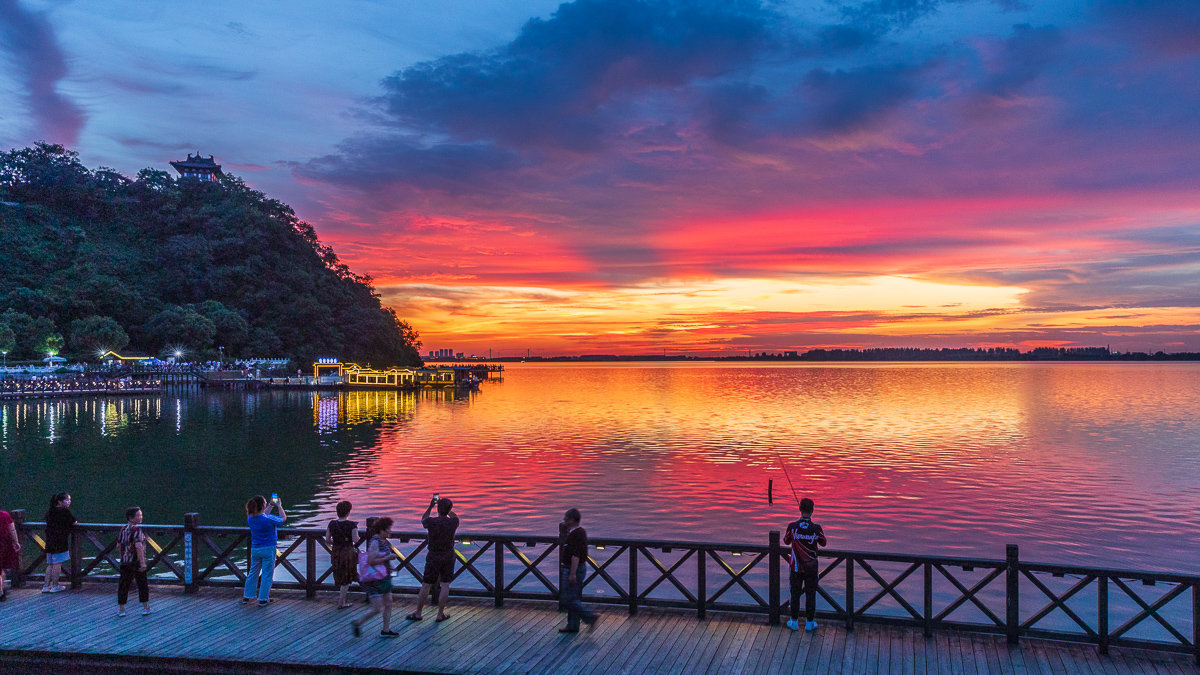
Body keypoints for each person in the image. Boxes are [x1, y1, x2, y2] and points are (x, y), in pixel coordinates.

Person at [409, 496, 459, 622]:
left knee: (426, 584)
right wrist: (448, 510)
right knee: (445, 584)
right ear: (449, 510)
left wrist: (431, 506)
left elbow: (423, 519)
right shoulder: (453, 522)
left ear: (438, 509)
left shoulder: (431, 522)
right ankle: (440, 614)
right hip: (448, 555)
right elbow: (454, 516)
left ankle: (418, 613)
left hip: (434, 555)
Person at [783, 497, 827, 631]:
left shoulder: (792, 526)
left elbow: (785, 541)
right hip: (812, 568)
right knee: (810, 594)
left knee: (795, 594)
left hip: (796, 568)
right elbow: (823, 542)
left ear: (800, 509)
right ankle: (809, 622)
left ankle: (794, 621)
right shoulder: (816, 528)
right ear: (812, 510)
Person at [351, 517, 399, 638]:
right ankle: (357, 622)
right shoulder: (375, 542)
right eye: (388, 529)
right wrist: (388, 558)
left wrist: (390, 566)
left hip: (385, 577)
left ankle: (386, 630)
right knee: (377, 608)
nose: (390, 531)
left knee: (388, 603)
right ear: (381, 530)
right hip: (374, 580)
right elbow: (371, 561)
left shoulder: (384, 541)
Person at [558, 508, 597, 633]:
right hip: (574, 568)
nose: (564, 521)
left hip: (572, 569)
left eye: (567, 519)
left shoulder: (576, 534)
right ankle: (573, 625)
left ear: (573, 520)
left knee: (568, 599)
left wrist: (572, 573)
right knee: (574, 597)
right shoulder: (578, 532)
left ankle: (590, 616)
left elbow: (576, 555)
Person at [243, 494, 286, 606]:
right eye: (265, 503)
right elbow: (282, 519)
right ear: (262, 505)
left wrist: (271, 506)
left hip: (255, 548)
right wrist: (279, 506)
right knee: (267, 574)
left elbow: (262, 514)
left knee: (253, 572)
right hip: (268, 548)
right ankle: (263, 599)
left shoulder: (250, 518)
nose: (266, 504)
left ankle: (247, 596)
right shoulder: (268, 519)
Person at [116, 507, 151, 617]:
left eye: (141, 515)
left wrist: (123, 556)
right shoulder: (138, 531)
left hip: (125, 561)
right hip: (135, 561)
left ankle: (122, 609)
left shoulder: (123, 529)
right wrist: (143, 563)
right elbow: (139, 547)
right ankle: (146, 607)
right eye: (138, 516)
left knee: (123, 585)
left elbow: (118, 545)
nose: (141, 517)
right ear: (131, 518)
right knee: (142, 584)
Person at [325, 500, 359, 609]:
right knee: (346, 577)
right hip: (347, 552)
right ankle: (341, 602)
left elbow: (327, 539)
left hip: (335, 551)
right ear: (348, 512)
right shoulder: (352, 524)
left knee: (339, 574)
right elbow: (355, 539)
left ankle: (342, 600)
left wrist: (336, 543)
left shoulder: (332, 523)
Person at [43, 493, 76, 593]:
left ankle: (45, 586)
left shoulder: (50, 511)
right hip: (60, 541)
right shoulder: (64, 511)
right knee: (57, 564)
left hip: (49, 540)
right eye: (67, 500)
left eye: (70, 500)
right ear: (60, 502)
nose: (69, 502)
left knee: (50, 564)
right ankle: (55, 585)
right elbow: (74, 522)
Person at [0, 508, 19, 601]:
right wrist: (16, 542)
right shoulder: (5, 515)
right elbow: (12, 529)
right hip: (4, 543)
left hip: (3, 544)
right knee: (2, 567)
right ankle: (2, 589)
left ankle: (2, 590)